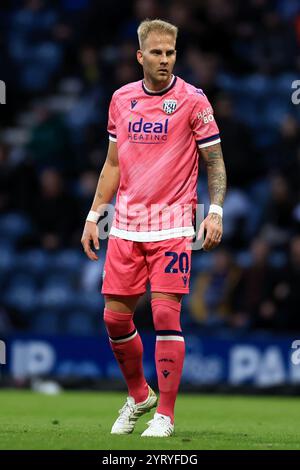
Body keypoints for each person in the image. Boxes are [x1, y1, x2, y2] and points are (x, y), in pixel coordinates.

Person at [81, 19, 226, 437]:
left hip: (174, 224)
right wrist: (94, 215)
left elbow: (215, 163)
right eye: (157, 53)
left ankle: (165, 413)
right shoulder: (121, 99)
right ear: (140, 56)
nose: (165, 60)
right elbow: (112, 164)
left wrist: (214, 210)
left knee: (165, 314)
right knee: (113, 320)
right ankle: (139, 395)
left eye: (171, 53)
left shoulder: (193, 101)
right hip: (125, 226)